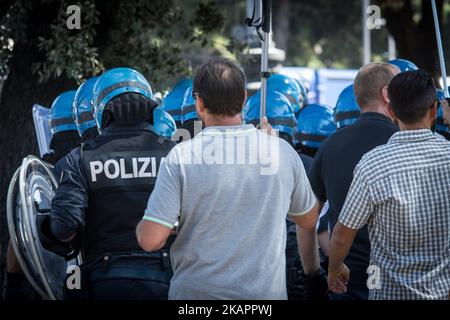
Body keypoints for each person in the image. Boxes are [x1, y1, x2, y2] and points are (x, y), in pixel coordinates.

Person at [136, 58, 319, 300]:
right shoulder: (282, 153)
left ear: (199, 103)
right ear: (244, 98)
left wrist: (144, 226)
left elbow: (150, 240)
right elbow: (308, 218)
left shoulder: (181, 156)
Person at [38, 67, 176, 300]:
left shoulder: (77, 159)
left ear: (100, 110)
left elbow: (64, 228)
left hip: (105, 283)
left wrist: (42, 224)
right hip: (168, 282)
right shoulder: (176, 155)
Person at [329, 70, 450, 300]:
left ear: (391, 111)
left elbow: (342, 234)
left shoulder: (373, 163)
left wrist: (335, 269)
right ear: (434, 111)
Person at [305, 62, 400, 300]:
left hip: (345, 282)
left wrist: (313, 272)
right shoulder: (405, 145)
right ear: (387, 94)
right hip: (398, 282)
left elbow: (306, 221)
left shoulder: (330, 145)